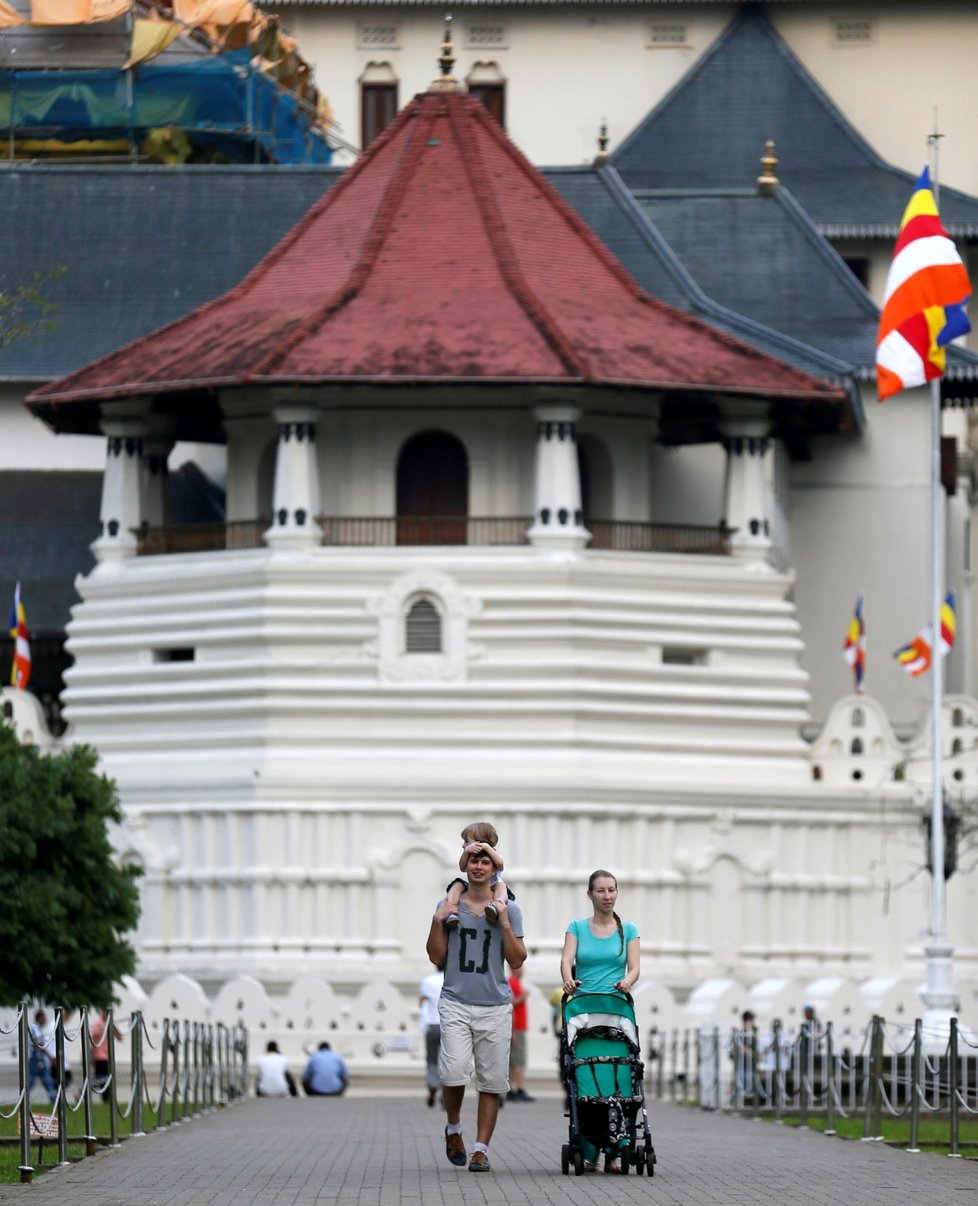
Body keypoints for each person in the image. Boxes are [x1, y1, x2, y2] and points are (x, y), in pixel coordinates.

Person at [427, 842, 526, 1174]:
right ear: (465, 865)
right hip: (455, 999)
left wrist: (505, 924)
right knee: (454, 1072)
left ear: (494, 868)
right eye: (473, 860)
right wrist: (437, 919)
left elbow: (516, 960)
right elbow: (436, 956)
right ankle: (453, 1128)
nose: (479, 865)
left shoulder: (508, 907)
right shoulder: (451, 904)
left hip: (495, 1004)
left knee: (492, 1082)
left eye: (485, 860)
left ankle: (480, 1149)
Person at [560, 869, 640, 1172]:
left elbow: (634, 967)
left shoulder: (629, 929)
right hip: (582, 1012)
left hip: (617, 1010)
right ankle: (590, 1147)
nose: (607, 896)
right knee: (586, 1080)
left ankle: (618, 1149)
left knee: (622, 1079)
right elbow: (567, 960)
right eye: (601, 891)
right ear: (590, 894)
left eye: (612, 890)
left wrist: (628, 982)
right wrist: (568, 980)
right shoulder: (577, 927)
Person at [444, 822, 510, 928]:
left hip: (493, 885)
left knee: (501, 886)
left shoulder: (492, 854)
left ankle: (495, 906)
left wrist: (487, 848)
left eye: (466, 841)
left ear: (479, 842)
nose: (463, 845)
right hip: (474, 887)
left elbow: (500, 865)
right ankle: (451, 911)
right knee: (457, 885)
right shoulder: (468, 855)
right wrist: (466, 852)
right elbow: (462, 867)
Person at [506, 965, 533, 1101]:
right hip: (516, 1027)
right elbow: (510, 1004)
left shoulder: (516, 982)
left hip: (518, 1027)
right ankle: (519, 1088)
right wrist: (522, 996)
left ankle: (512, 1089)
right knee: (518, 1060)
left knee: (514, 1059)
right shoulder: (510, 982)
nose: (522, 970)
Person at [419, 968, 444, 1107]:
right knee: (448, 1061)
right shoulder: (452, 980)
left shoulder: (427, 981)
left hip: (432, 1024)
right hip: (449, 1025)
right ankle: (447, 1092)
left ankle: (433, 1084)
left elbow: (421, 1002)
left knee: (432, 1058)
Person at [28, 1009, 56, 1105]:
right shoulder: (34, 1028)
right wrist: (49, 1056)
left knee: (48, 1083)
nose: (45, 1020)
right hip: (34, 1061)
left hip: (41, 1061)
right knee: (29, 1084)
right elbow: (39, 1044)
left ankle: (55, 1103)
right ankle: (23, 1103)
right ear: (39, 1018)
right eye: (44, 1018)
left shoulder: (39, 1028)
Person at [89, 1008, 116, 1103]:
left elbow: (119, 1036)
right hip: (100, 1057)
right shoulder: (99, 1024)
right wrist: (92, 1056)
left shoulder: (106, 1023)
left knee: (100, 1079)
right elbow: (94, 1040)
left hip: (104, 1056)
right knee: (102, 1080)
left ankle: (82, 1093)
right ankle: (82, 1093)